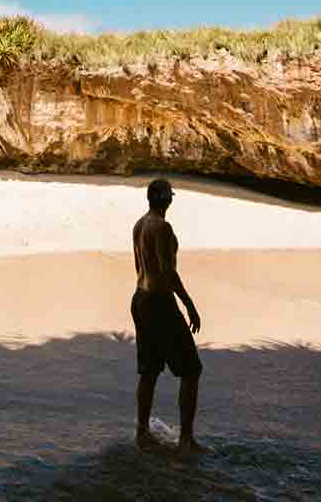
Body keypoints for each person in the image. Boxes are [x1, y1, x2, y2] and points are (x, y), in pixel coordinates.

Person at [131, 177, 204, 453]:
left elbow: (142, 265)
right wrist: (189, 304)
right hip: (159, 302)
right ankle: (186, 439)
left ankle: (141, 433)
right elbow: (167, 271)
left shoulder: (139, 225)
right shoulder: (161, 227)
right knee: (192, 369)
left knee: (149, 370)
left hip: (140, 298)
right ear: (167, 199)